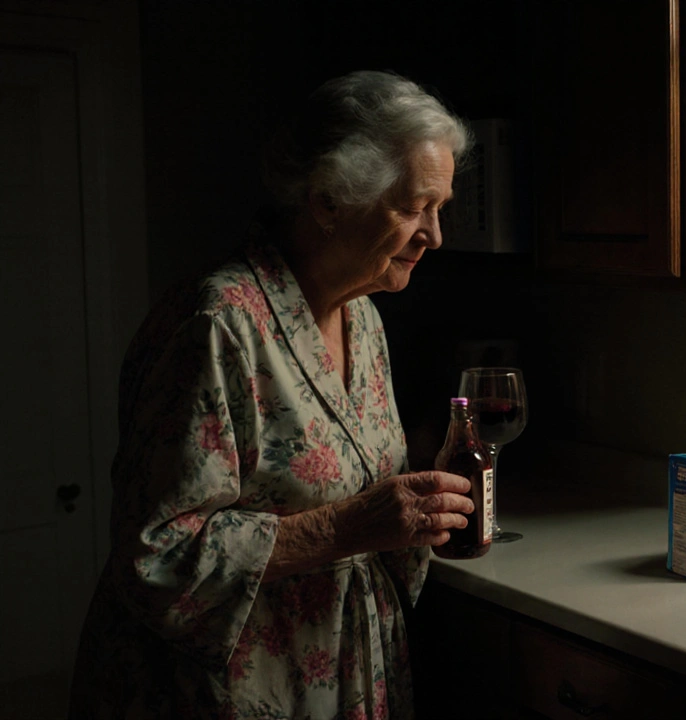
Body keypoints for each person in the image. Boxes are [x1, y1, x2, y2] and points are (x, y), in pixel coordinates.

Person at [69, 70, 474, 718]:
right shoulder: (217, 325)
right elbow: (157, 554)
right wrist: (351, 526)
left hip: (340, 679)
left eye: (440, 208)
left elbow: (357, 477)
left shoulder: (363, 316)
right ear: (329, 200)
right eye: (414, 206)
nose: (435, 234)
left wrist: (423, 501)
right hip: (227, 691)